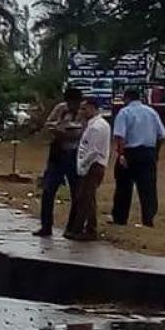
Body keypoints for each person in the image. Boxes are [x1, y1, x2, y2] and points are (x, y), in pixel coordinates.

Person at [111, 88, 165, 227]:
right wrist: (155, 153)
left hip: (130, 152)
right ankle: (148, 218)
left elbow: (120, 137)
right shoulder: (151, 112)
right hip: (148, 153)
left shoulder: (125, 112)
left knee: (123, 187)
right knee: (148, 188)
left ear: (126, 98)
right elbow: (161, 135)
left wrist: (121, 155)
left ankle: (120, 218)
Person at [33, 87, 85, 237]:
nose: (73, 106)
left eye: (75, 103)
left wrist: (70, 133)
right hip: (58, 153)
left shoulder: (83, 112)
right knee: (48, 190)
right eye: (70, 103)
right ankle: (46, 226)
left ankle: (72, 227)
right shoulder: (60, 109)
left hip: (74, 154)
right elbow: (49, 124)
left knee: (76, 192)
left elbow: (83, 131)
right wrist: (57, 129)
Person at [66, 98, 111, 241]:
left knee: (84, 198)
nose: (82, 112)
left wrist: (82, 166)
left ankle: (81, 229)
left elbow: (93, 151)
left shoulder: (96, 127)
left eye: (84, 109)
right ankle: (89, 227)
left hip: (92, 165)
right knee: (89, 198)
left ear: (92, 109)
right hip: (93, 164)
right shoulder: (96, 125)